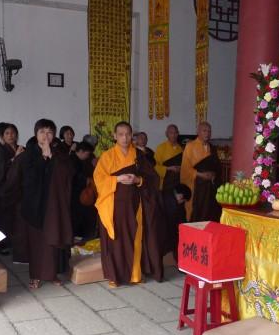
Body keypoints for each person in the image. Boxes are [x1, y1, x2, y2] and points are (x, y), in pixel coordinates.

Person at [94, 121, 164, 286]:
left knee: (135, 238)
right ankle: (115, 276)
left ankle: (135, 275)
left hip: (135, 205)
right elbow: (99, 179)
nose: (124, 138)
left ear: (132, 135)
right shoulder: (107, 156)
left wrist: (138, 180)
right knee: (116, 242)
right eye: (121, 134)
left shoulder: (139, 156)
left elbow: (153, 178)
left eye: (127, 134)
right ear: (115, 136)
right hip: (114, 206)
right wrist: (117, 179)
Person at [21, 119, 73, 288]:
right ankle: (35, 275)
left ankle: (52, 274)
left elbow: (68, 173)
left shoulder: (59, 153)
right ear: (36, 134)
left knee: (53, 239)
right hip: (35, 205)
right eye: (42, 132)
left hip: (54, 204)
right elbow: (26, 178)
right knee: (37, 242)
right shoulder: (29, 154)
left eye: (49, 132)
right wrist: (43, 158)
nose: (46, 135)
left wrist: (51, 157)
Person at [181, 121, 222, 222]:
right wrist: (200, 174)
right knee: (197, 212)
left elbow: (217, 166)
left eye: (209, 131)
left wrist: (214, 174)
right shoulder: (190, 146)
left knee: (209, 211)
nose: (207, 133)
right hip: (197, 186)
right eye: (204, 131)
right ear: (198, 132)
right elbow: (185, 168)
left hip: (210, 186)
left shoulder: (212, 148)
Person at [70, 141, 97, 241]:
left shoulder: (80, 160)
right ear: (81, 151)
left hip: (80, 195)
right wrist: (87, 180)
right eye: (87, 154)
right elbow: (74, 177)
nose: (87, 156)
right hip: (75, 196)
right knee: (77, 218)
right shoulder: (72, 160)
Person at [162, 183, 191, 260]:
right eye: (183, 201)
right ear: (181, 196)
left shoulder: (166, 192)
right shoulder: (173, 205)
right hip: (164, 232)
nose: (183, 203)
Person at [154, 124, 183, 194]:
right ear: (166, 134)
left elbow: (185, 165)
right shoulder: (161, 148)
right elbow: (154, 166)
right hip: (165, 182)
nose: (173, 135)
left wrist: (180, 168)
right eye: (171, 133)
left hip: (178, 182)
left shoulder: (181, 149)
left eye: (175, 133)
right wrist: (168, 168)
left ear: (178, 134)